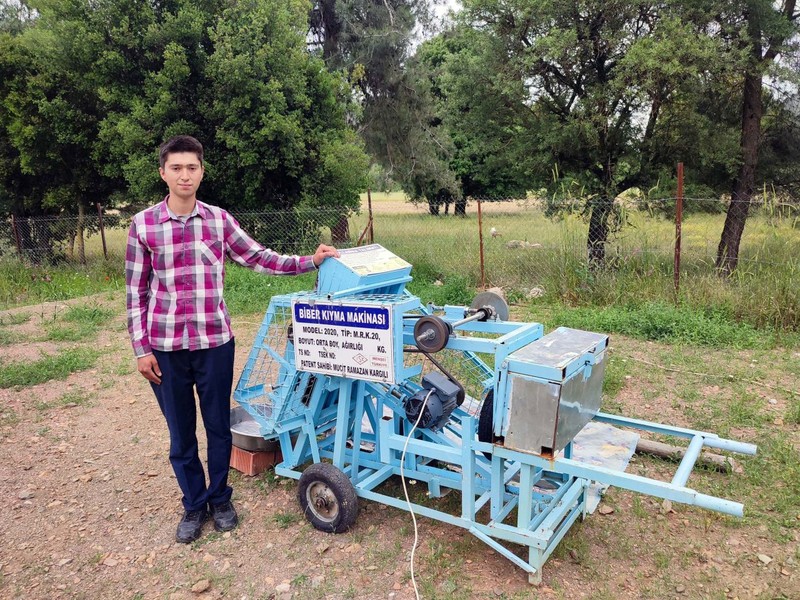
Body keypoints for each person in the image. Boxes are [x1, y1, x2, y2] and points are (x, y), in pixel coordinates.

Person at [125, 135, 339, 543]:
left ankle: (220, 498)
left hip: (214, 343)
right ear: (163, 173)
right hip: (165, 349)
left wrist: (309, 261)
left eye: (192, 167)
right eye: (176, 168)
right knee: (181, 432)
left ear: (201, 172)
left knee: (219, 425)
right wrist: (141, 348)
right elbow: (135, 292)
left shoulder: (219, 221)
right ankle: (193, 505)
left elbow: (260, 257)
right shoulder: (143, 225)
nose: (184, 175)